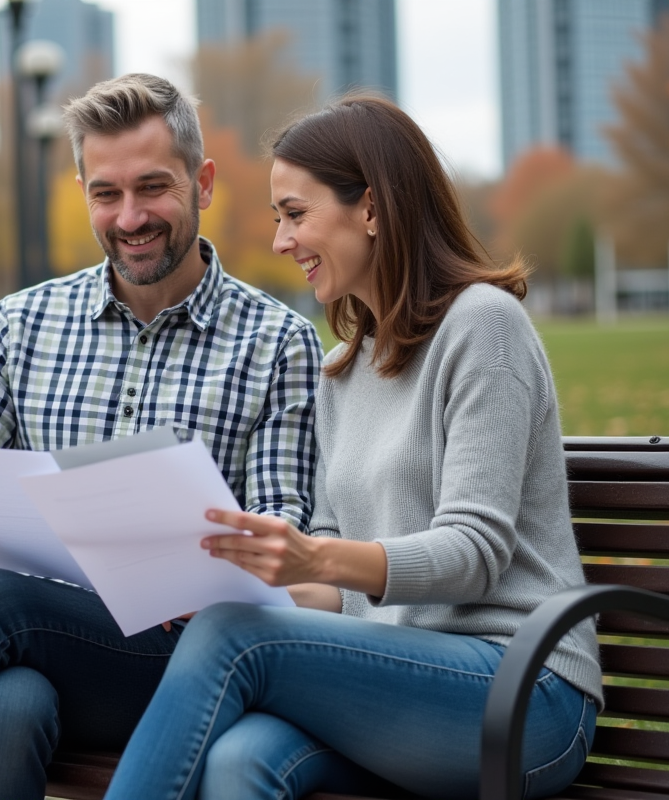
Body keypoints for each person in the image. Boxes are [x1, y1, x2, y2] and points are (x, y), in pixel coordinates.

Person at [0, 73, 323, 800]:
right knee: (10, 705)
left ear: (203, 183)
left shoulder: (278, 344)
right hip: (13, 656)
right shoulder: (18, 325)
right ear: (83, 189)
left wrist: (216, 562)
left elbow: (286, 528)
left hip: (177, 667)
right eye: (105, 193)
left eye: (152, 188)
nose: (130, 217)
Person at [102, 95, 603, 800]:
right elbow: (337, 585)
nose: (280, 240)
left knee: (228, 637)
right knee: (241, 758)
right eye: (279, 218)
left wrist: (313, 558)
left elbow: (477, 552)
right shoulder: (343, 368)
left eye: (295, 214)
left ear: (370, 209)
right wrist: (242, 581)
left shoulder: (485, 327)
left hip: (523, 689)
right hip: (400, 682)